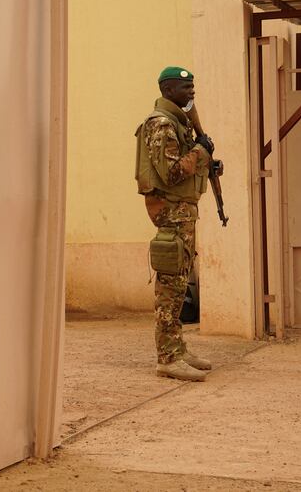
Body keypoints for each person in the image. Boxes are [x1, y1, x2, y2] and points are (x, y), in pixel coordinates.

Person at [135, 66, 214, 381]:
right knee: (170, 285)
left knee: (180, 283)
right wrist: (200, 150)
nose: (191, 92)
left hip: (182, 212)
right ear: (168, 90)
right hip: (170, 212)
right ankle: (167, 358)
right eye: (185, 87)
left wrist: (206, 158)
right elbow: (171, 173)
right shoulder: (162, 125)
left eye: (192, 87)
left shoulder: (179, 123)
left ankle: (177, 349)